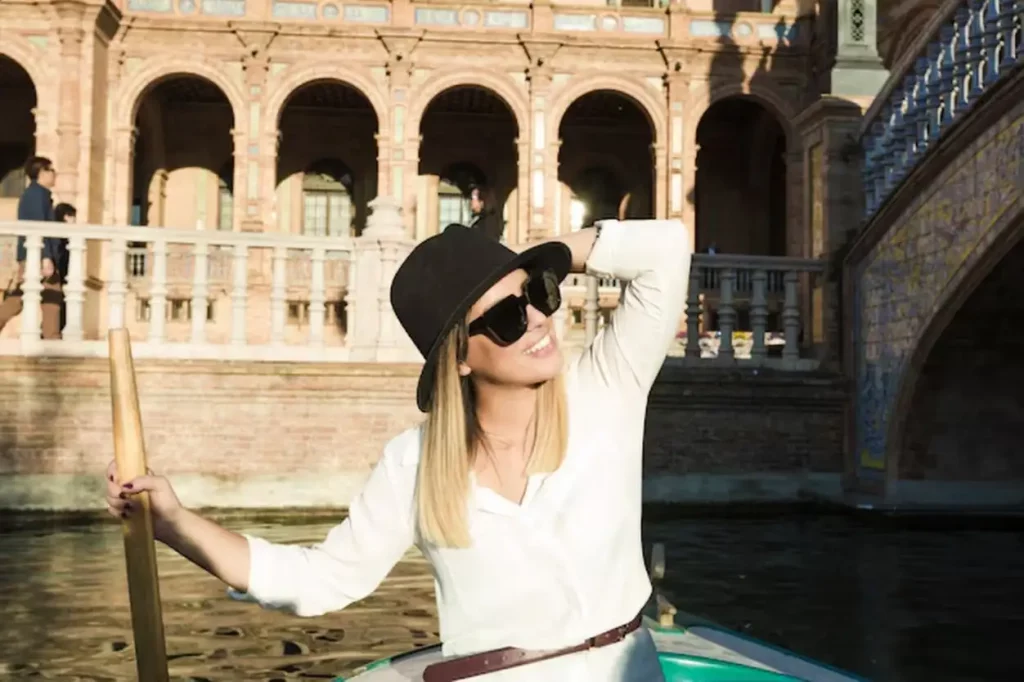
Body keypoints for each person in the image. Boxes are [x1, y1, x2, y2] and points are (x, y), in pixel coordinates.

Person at [105, 218, 691, 681]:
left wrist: (539, 252)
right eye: (510, 315)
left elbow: (666, 248)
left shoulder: (605, 391)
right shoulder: (414, 465)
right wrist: (175, 524)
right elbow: (320, 581)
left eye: (538, 293)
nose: (538, 319)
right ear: (460, 357)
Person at [0, 156, 63, 339]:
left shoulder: (39, 194)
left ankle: (52, 337)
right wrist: (45, 257)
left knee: (30, 298)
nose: (54, 174)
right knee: (44, 297)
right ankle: (52, 338)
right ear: (42, 172)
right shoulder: (36, 195)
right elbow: (37, 227)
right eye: (51, 170)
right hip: (37, 256)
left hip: (37, 256)